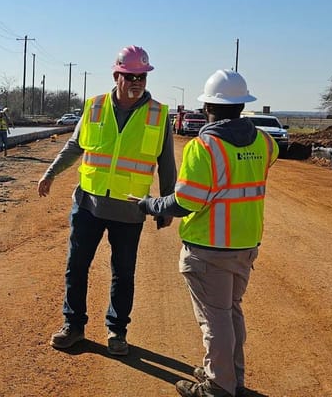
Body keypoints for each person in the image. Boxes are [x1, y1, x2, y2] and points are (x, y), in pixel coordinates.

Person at [135, 70, 279, 397]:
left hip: (208, 247)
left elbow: (185, 202)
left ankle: (218, 386)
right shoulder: (265, 143)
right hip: (244, 244)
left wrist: (150, 205)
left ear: (208, 107)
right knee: (231, 314)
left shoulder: (205, 147)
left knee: (215, 321)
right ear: (242, 106)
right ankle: (231, 377)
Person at [37, 45, 177, 355]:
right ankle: (73, 325)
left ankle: (117, 331)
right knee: (77, 266)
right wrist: (51, 173)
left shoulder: (158, 114)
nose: (136, 82)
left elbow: (167, 163)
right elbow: (76, 146)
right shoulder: (95, 106)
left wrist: (167, 206)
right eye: (129, 76)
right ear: (116, 75)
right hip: (88, 204)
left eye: (141, 76)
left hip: (130, 208)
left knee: (123, 273)